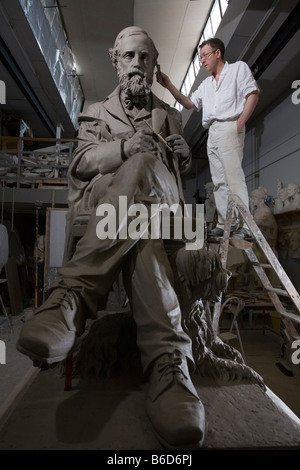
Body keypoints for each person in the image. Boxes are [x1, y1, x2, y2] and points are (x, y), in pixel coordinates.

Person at [16, 26, 205, 450]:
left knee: (142, 212)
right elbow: (82, 163)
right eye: (129, 57)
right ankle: (168, 362)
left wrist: (183, 156)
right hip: (106, 197)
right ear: (115, 60)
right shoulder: (96, 111)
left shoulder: (169, 114)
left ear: (155, 65)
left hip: (160, 206)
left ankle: (71, 298)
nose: (137, 64)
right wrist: (125, 150)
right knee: (137, 181)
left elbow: (181, 172)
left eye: (145, 58)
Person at [156, 38, 259, 238]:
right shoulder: (206, 84)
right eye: (200, 57)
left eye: (205, 55)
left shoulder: (238, 69)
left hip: (230, 124)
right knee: (219, 181)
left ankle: (246, 225)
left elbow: (252, 94)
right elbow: (188, 103)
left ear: (217, 53)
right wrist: (168, 85)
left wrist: (239, 123)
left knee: (233, 176)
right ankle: (224, 223)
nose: (201, 60)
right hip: (212, 131)